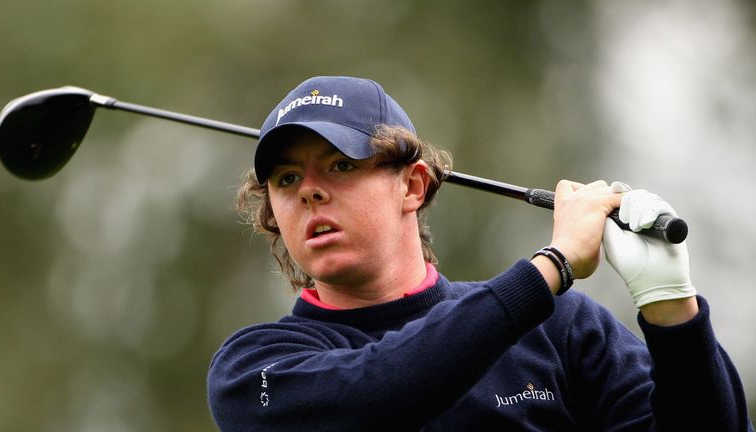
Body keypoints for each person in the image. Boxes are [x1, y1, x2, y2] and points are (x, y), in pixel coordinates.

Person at [207, 76, 754, 431]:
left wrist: (672, 311)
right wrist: (553, 265)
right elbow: (384, 387)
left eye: (342, 165)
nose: (309, 190)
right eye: (285, 178)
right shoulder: (254, 368)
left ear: (413, 186)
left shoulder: (561, 331)